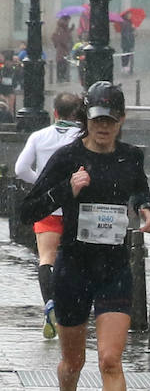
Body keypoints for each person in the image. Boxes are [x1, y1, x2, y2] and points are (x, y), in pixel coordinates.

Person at [20, 82, 150, 391]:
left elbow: (140, 191)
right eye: (96, 120)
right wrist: (68, 189)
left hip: (114, 267)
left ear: (121, 121)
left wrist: (147, 210)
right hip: (74, 267)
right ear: (87, 119)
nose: (103, 128)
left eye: (110, 121)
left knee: (110, 360)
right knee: (71, 364)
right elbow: (27, 208)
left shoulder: (132, 157)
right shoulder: (68, 157)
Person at [14, 92, 84, 338]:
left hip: (49, 208)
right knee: (75, 260)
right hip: (78, 208)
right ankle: (71, 309)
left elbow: (21, 169)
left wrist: (43, 185)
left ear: (55, 112)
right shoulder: (83, 138)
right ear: (78, 114)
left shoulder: (38, 136)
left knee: (46, 258)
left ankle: (50, 303)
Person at [51, 15, 74, 83]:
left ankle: (62, 78)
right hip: (62, 50)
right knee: (62, 63)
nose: (69, 22)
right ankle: (61, 78)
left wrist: (71, 29)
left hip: (63, 50)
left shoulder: (63, 28)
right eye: (68, 20)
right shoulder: (61, 28)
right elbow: (58, 38)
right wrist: (64, 44)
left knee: (63, 63)